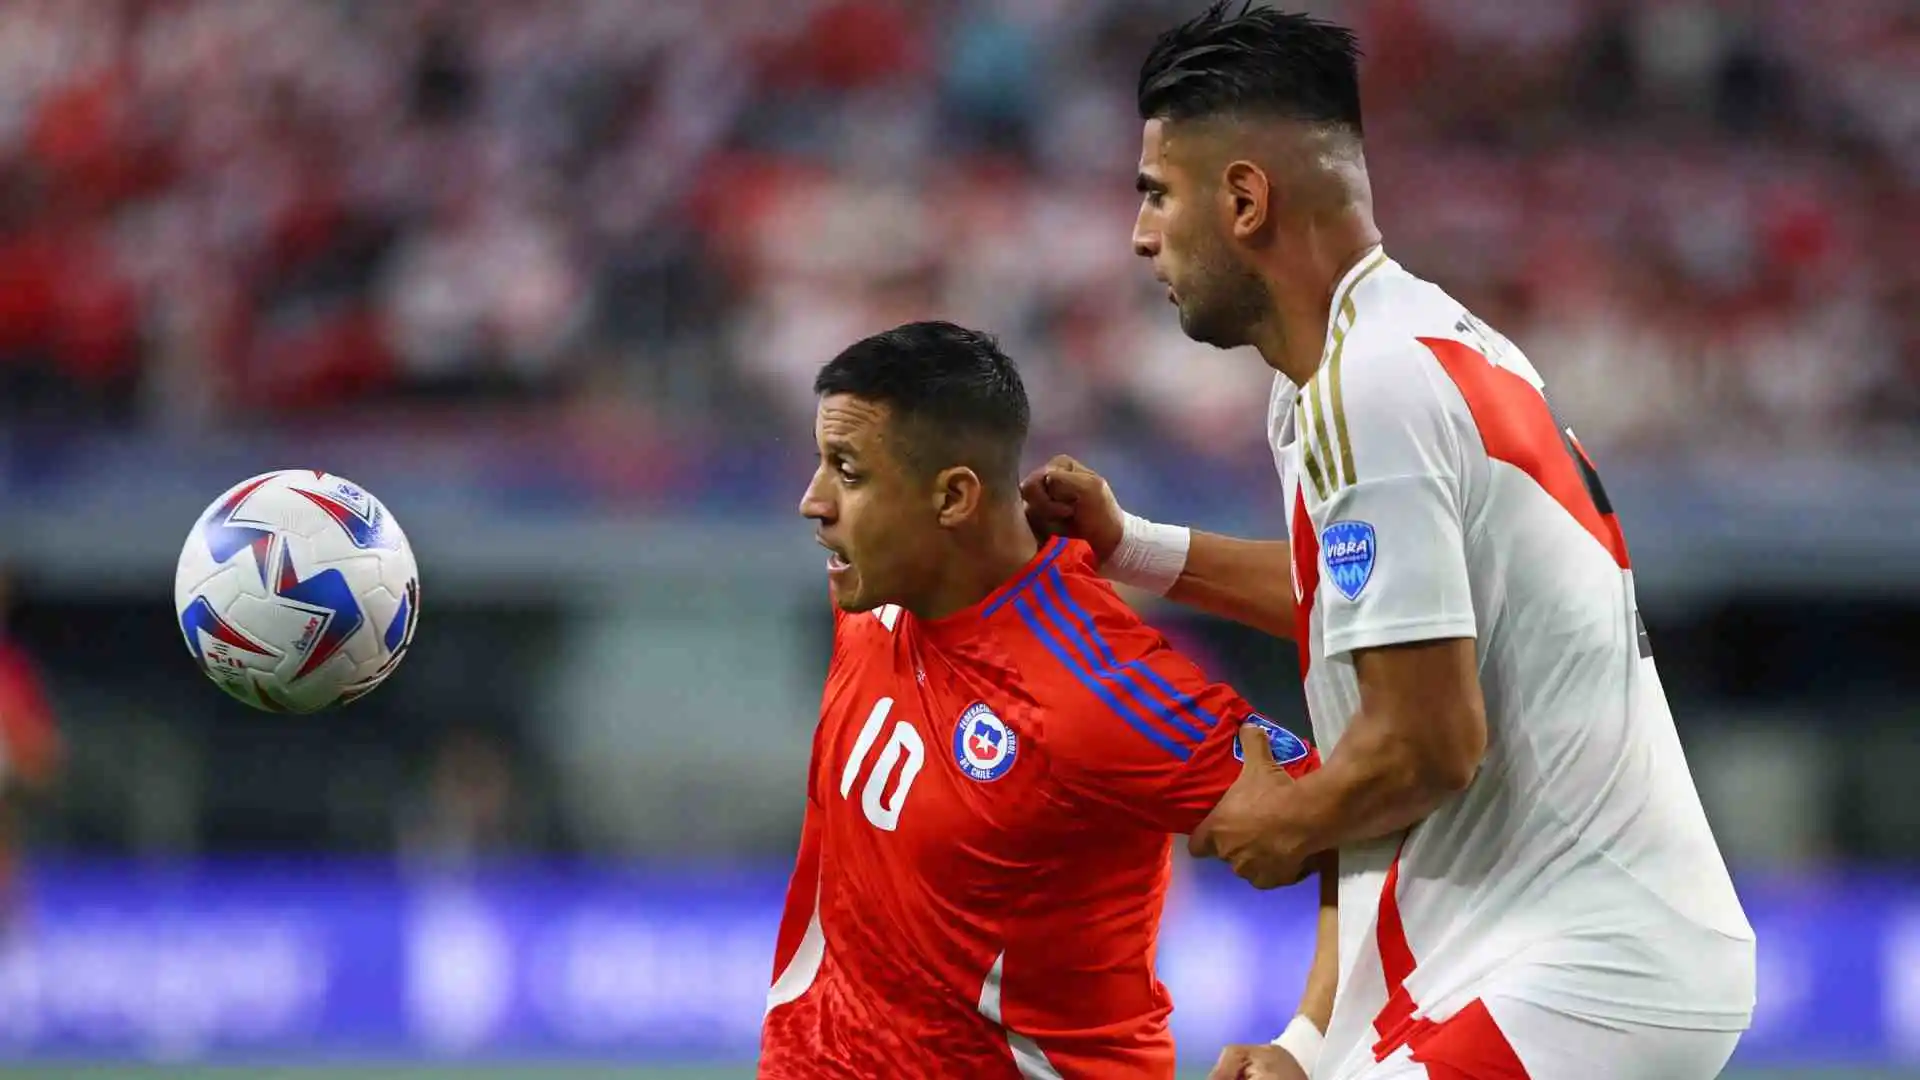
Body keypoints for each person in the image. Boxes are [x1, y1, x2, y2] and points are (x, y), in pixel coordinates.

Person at [1022, 5, 1756, 1080]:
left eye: (1156, 194)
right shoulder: (1390, 354)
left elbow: (1425, 743)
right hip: (1528, 957)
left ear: (1244, 200)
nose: (1140, 236)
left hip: (1583, 968)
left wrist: (1280, 820)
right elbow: (1363, 616)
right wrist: (1313, 1040)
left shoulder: (1370, 387)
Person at [759, 321, 1331, 1080]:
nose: (813, 501)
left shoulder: (1094, 689)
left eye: (847, 471)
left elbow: (1367, 829)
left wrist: (1309, 1041)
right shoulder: (875, 592)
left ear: (953, 497)